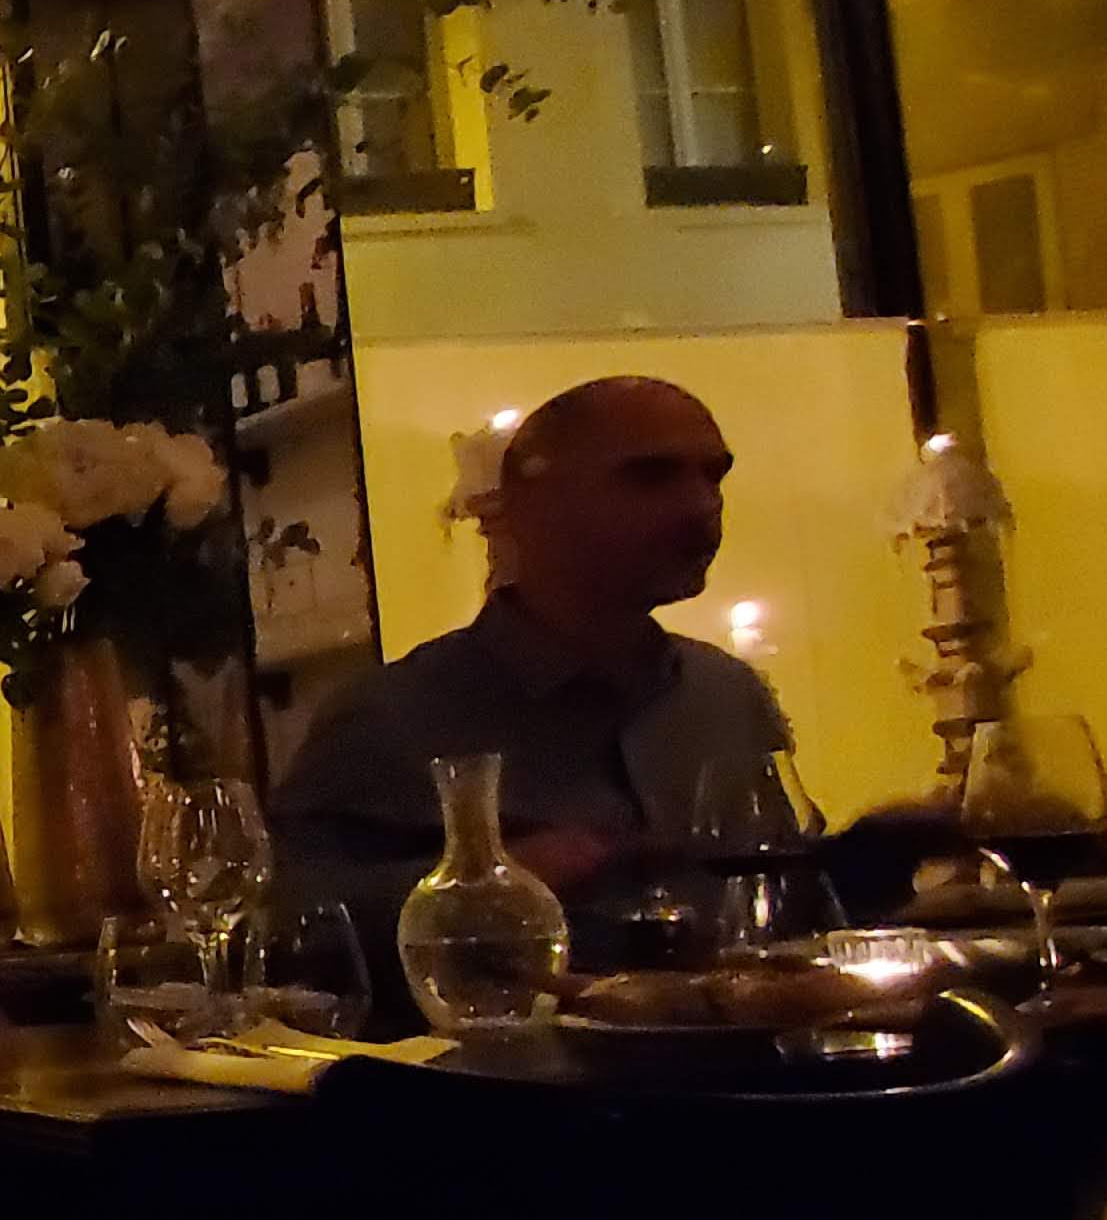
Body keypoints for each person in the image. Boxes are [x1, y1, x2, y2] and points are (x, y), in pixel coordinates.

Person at [272, 375, 791, 942]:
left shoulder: (727, 696)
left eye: (713, 476)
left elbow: (795, 909)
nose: (701, 505)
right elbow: (291, 928)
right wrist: (490, 885)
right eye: (650, 476)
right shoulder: (391, 718)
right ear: (528, 508)